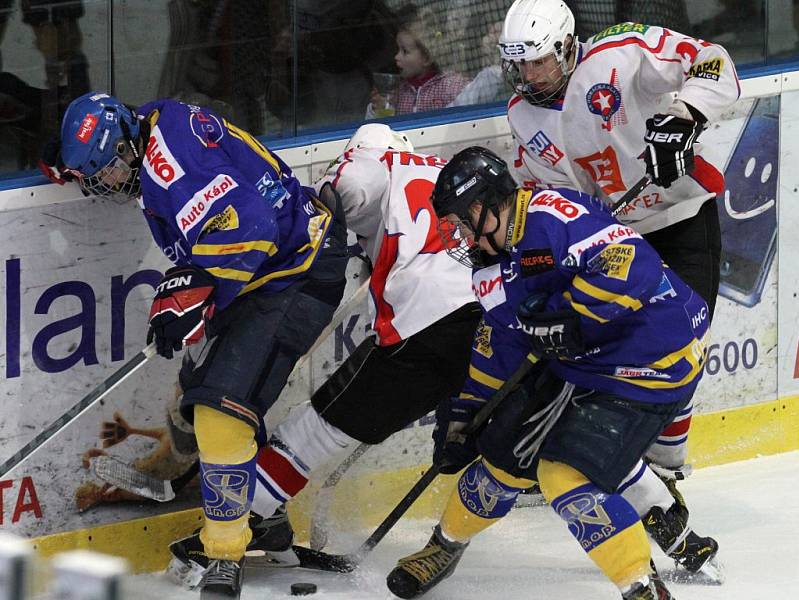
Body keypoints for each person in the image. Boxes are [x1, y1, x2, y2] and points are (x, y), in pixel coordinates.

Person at [42, 92, 349, 598]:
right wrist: (69, 163)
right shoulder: (147, 130)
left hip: (296, 271)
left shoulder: (169, 167)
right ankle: (262, 521)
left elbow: (253, 224)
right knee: (195, 391)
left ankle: (226, 553)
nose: (104, 187)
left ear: (124, 151)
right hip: (265, 272)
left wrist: (196, 285)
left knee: (219, 410)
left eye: (105, 175)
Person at [166, 123, 482, 586]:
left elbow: (345, 189)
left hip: (424, 323)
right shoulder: (443, 174)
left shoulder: (375, 161)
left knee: (315, 428)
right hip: (488, 317)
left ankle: (246, 517)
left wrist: (321, 217)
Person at [387, 146, 710, 600]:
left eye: (462, 224)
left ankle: (642, 587)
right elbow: (502, 342)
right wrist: (465, 412)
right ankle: (444, 546)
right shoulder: (490, 269)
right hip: (583, 361)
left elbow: (636, 268)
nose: (462, 238)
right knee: (501, 454)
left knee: (566, 476)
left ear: (481, 208)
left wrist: (570, 314)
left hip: (653, 355)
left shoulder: (554, 215)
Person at [498, 0, 737, 573]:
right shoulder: (521, 117)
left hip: (680, 221)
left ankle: (664, 465)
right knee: (609, 355)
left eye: (539, 61)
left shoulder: (622, 52)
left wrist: (686, 116)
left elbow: (714, 62)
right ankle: (644, 475)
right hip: (610, 247)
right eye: (519, 64)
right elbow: (544, 198)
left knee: (683, 346)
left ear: (566, 45)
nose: (530, 76)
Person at [368, 4, 469, 116]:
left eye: (405, 51)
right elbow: (384, 126)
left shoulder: (451, 86)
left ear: (426, 58)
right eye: (397, 50)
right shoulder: (398, 93)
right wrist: (377, 109)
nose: (397, 57)